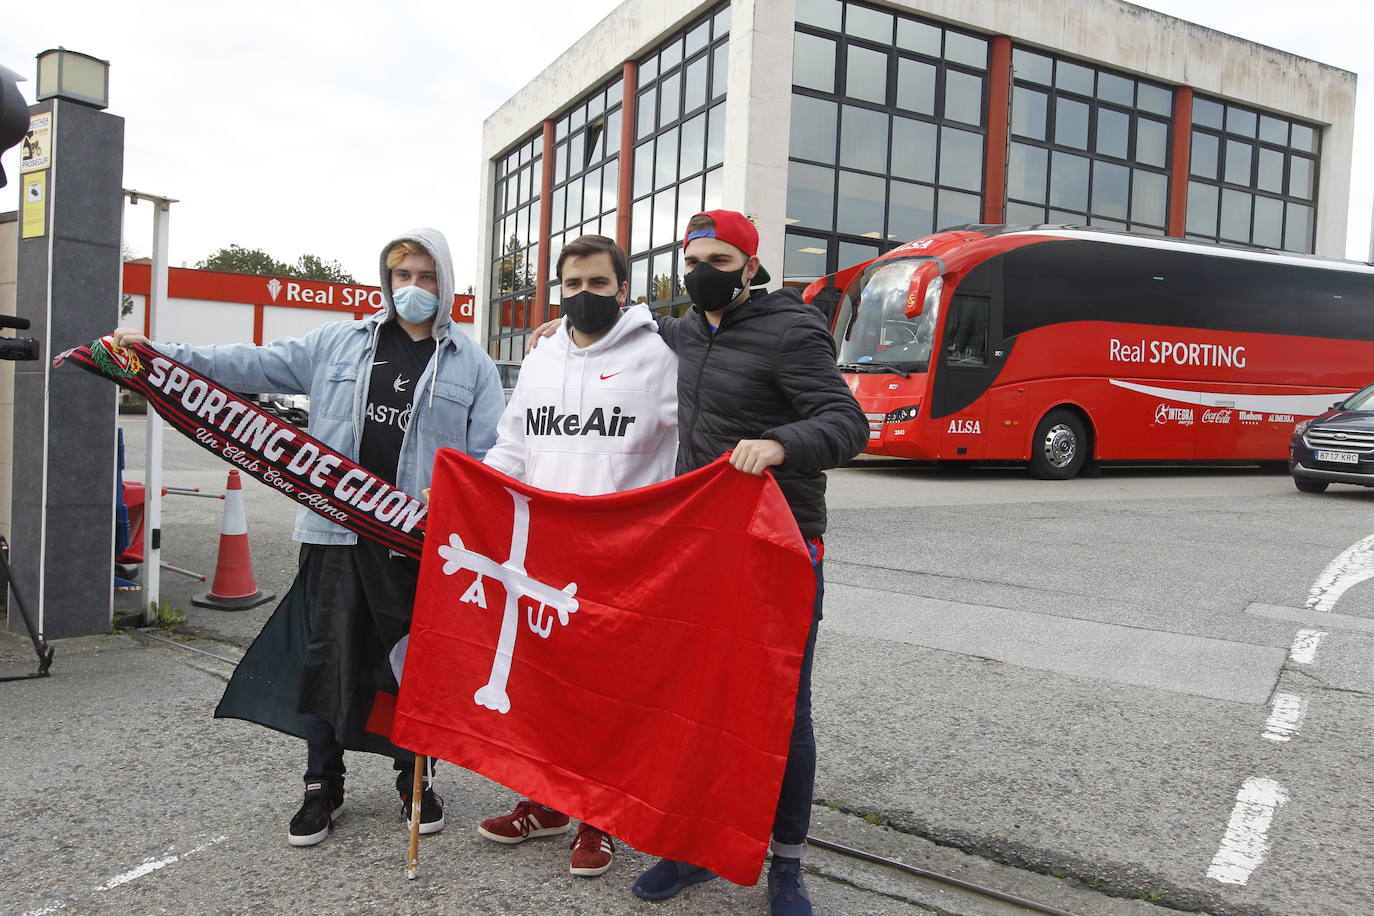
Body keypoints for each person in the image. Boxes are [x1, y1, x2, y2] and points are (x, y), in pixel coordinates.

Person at [111, 228, 504, 847]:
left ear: (447, 283)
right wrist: (160, 354)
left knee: (411, 664)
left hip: (413, 543)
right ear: (386, 280)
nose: (414, 289)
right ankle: (323, 782)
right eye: (403, 276)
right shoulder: (337, 344)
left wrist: (453, 492)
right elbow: (251, 363)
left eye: (427, 278)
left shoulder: (472, 364)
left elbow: (490, 456)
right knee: (327, 655)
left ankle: (415, 776)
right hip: (333, 533)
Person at [532, 211, 867, 913]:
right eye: (693, 260)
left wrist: (778, 443)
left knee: (780, 710)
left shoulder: (791, 329)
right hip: (702, 546)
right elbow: (617, 331)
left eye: (718, 259)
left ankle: (787, 864)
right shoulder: (681, 332)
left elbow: (846, 423)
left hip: (780, 543)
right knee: (693, 702)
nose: (701, 272)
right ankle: (692, 847)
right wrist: (559, 340)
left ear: (750, 266)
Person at [474, 234, 678, 878]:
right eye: (572, 286)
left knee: (604, 694)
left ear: (624, 289)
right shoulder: (540, 359)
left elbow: (698, 441)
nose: (584, 296)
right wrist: (471, 493)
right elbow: (513, 446)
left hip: (624, 557)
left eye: (597, 284)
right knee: (545, 690)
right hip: (543, 554)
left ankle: (598, 819)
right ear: (557, 292)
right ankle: (547, 803)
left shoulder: (661, 355)